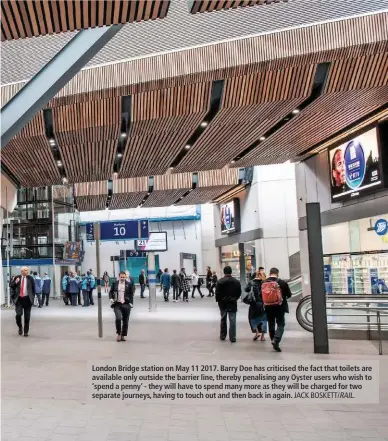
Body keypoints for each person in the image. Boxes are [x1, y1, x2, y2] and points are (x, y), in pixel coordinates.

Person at [262, 267, 292, 352]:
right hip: (280, 306)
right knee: (280, 324)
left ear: (270, 273)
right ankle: (276, 340)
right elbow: (289, 294)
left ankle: (273, 340)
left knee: (271, 323)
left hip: (268, 306)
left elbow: (261, 295)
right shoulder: (282, 283)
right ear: (277, 273)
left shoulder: (264, 283)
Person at [215, 266, 241, 342]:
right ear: (231, 272)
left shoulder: (220, 281)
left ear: (224, 272)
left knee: (223, 319)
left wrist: (220, 300)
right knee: (232, 320)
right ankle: (233, 337)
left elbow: (217, 293)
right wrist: (235, 298)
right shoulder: (236, 281)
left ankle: (223, 335)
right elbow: (239, 292)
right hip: (232, 303)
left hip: (223, 303)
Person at [109, 271, 135, 342]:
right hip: (117, 304)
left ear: (125, 277)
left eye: (124, 277)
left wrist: (131, 303)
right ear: (119, 277)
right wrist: (111, 298)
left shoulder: (129, 284)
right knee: (118, 318)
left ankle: (123, 335)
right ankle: (119, 334)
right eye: (121, 277)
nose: (122, 278)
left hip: (126, 304)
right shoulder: (115, 283)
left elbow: (131, 294)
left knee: (125, 320)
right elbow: (111, 291)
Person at [10, 266, 35, 337]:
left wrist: (32, 297)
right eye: (25, 270)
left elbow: (33, 289)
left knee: (27, 317)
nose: (27, 271)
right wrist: (15, 282)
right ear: (22, 271)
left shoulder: (30, 278)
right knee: (18, 315)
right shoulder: (17, 277)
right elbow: (11, 285)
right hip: (19, 300)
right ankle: (20, 327)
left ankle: (26, 331)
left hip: (27, 300)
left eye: (27, 270)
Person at [246, 269, 267, 341]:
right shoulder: (264, 283)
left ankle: (257, 332)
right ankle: (263, 336)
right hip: (263, 303)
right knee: (263, 319)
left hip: (253, 303)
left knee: (253, 318)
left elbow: (246, 289)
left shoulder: (251, 282)